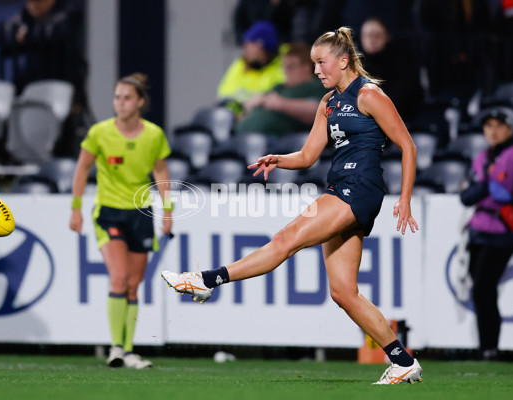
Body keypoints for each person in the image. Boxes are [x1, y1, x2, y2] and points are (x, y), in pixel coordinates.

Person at [162, 27, 422, 385]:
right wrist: (278, 159)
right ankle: (403, 361)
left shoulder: (369, 95)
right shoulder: (328, 102)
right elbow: (308, 155)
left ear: (343, 61)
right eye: (314, 63)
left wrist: (405, 197)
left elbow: (408, 146)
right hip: (342, 187)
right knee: (343, 293)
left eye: (321, 62)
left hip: (359, 189)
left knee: (285, 239)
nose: (316, 70)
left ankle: (208, 280)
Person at [69, 73, 172, 369]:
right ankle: (116, 348)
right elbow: (81, 169)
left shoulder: (153, 135)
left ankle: (128, 350)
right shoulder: (99, 133)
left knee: (133, 285)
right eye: (117, 97)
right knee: (119, 278)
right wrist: (75, 208)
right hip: (109, 212)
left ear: (140, 102)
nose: (120, 103)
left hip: (140, 214)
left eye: (127, 98)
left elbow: (161, 172)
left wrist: (168, 210)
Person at [460, 106, 513, 361]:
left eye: (499, 126)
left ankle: (488, 349)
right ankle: (488, 348)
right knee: (484, 290)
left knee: (483, 289)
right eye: (489, 126)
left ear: (510, 129)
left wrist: (512, 197)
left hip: (503, 230)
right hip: (479, 230)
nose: (494, 131)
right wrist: (486, 186)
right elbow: (466, 197)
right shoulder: (482, 158)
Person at [0, 0, 90, 157]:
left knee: (63, 138)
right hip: (29, 84)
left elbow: (55, 35)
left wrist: (26, 37)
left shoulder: (68, 14)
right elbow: (2, 37)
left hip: (62, 86)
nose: (33, 4)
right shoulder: (24, 18)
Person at [235, 42, 326, 138]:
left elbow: (317, 111)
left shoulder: (316, 86)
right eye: (283, 66)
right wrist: (251, 105)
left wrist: (280, 104)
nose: (285, 71)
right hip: (243, 136)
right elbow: (255, 104)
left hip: (279, 143)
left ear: (307, 67)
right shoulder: (279, 87)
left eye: (290, 66)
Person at [359, 17, 423, 121]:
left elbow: (400, 100)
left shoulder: (402, 62)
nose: (371, 40)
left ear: (387, 37)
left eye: (377, 36)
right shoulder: (354, 64)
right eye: (366, 35)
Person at [218, 21, 285, 105]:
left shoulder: (284, 66)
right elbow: (225, 95)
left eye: (251, 45)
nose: (246, 50)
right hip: (238, 116)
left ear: (263, 47)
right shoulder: (240, 65)